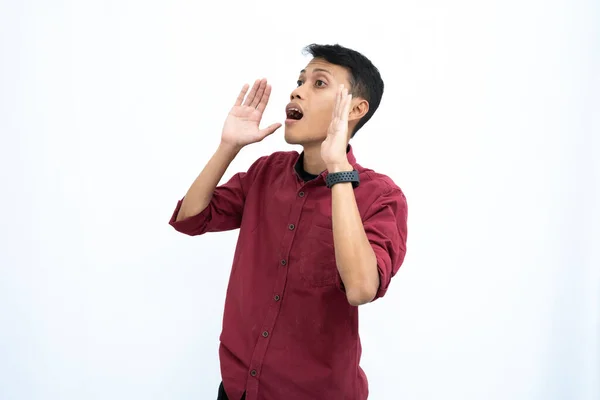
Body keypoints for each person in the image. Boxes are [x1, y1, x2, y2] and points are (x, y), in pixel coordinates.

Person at [169, 43, 408, 400]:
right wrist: (228, 147)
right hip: (238, 389)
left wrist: (338, 169)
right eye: (299, 80)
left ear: (356, 109)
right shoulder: (267, 172)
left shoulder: (381, 197)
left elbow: (360, 289)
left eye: (319, 83)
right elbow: (190, 218)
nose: (297, 90)